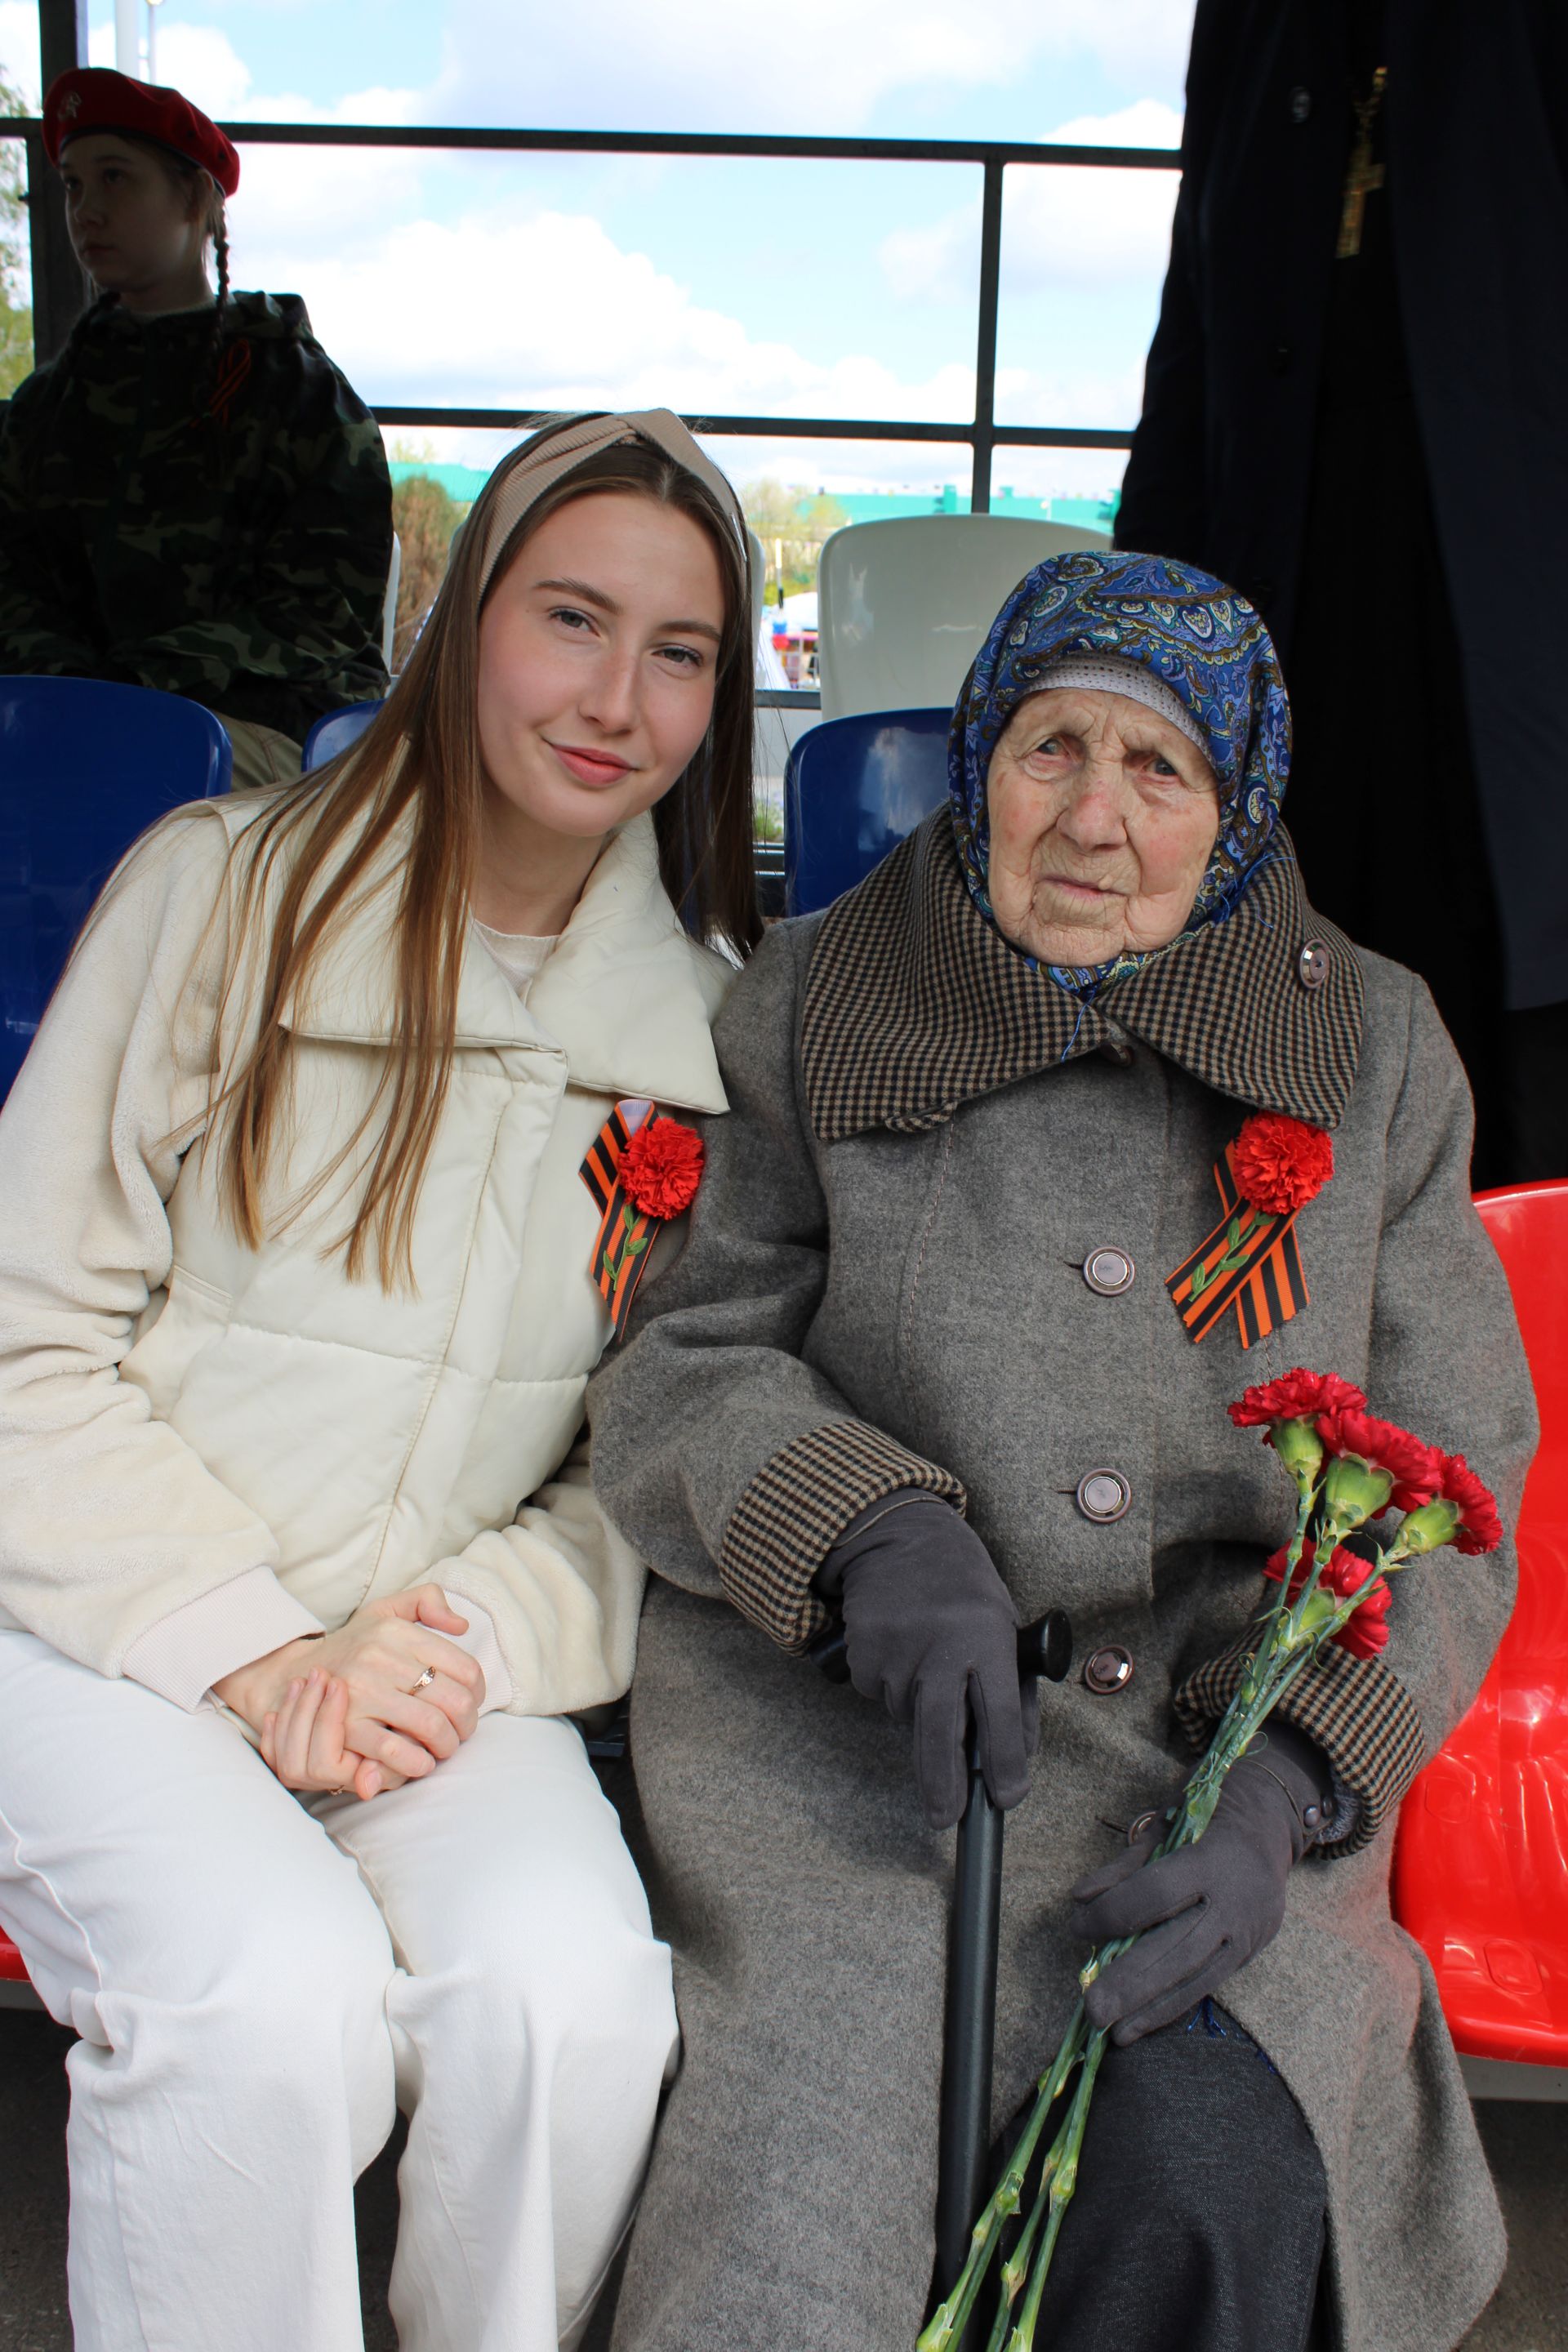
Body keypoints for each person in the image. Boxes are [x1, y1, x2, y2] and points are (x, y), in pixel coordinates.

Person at [586, 550, 1535, 2352]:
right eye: (1049, 751)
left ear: (1237, 806)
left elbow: (1452, 1482)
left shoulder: (1376, 1048)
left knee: (1207, 2184)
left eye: (1158, 770)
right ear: (979, 761)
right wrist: (863, 1524)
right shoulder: (809, 995)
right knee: (792, 2238)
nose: (1094, 817)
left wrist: (1297, 1791)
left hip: (1208, 1766)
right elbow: (679, 1350)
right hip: (865, 1775)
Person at [0, 408, 760, 2352]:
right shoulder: (220, 888)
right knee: (268, 2008)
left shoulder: (703, 1025)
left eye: (678, 651)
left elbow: (653, 1453)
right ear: (459, 619)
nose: (617, 699)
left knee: (573, 2003)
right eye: (570, 619)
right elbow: (21, 1335)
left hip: (421, 1650)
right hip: (98, 1615)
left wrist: (462, 1632)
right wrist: (251, 1650)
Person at [1113, 0, 1568, 1190]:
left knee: (1508, 1095)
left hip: (1509, 619)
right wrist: (1138, 635)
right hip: (1283, 595)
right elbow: (1194, 329)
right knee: (1268, 1048)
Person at [0, 66, 393, 789]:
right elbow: (12, 581)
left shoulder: (298, 396)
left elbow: (323, 616)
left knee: (129, 773)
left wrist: (134, 687)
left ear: (200, 200)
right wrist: (68, 687)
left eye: (116, 178)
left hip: (257, 730)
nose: (86, 211)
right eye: (73, 185)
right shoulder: (44, 410)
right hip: (58, 720)